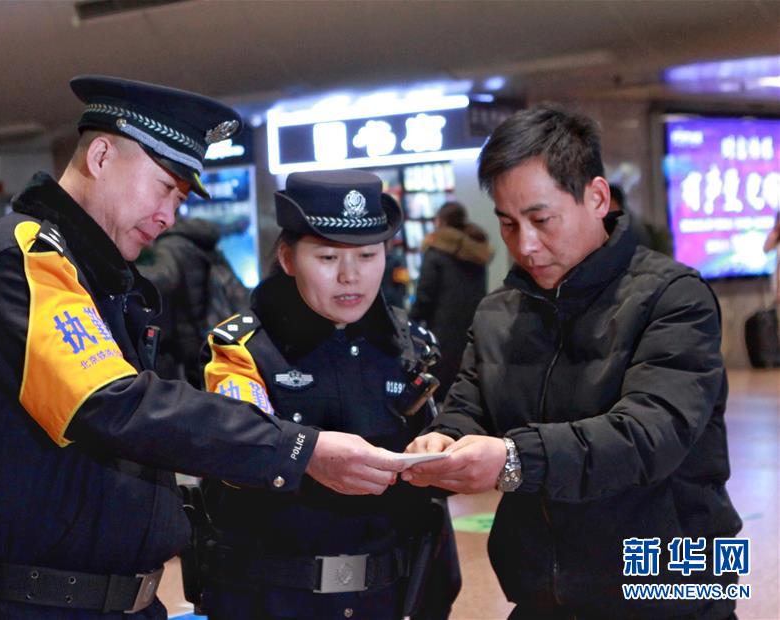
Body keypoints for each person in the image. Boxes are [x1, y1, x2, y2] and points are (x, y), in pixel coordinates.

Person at [0, 76, 407, 619]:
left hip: (116, 600)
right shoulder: (23, 255)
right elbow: (111, 402)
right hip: (41, 602)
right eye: (164, 188)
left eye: (179, 199)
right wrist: (299, 448)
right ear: (101, 156)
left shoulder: (99, 275)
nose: (169, 216)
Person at [404, 105, 741, 619]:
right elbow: (468, 409)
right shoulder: (499, 314)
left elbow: (648, 436)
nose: (525, 244)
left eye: (542, 220)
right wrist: (443, 442)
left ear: (597, 197)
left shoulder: (674, 298)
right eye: (508, 224)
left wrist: (515, 458)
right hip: (545, 593)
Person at [198, 170, 461, 619]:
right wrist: (307, 456)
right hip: (271, 601)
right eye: (327, 257)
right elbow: (238, 452)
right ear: (287, 258)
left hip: (387, 598)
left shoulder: (411, 347)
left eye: (367, 255)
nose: (350, 276)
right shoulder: (242, 349)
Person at [137, 217, 249, 385]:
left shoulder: (170, 245)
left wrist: (127, 273)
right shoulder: (195, 238)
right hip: (211, 324)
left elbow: (166, 276)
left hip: (189, 332)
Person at [410, 201, 492, 401]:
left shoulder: (436, 252)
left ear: (440, 221)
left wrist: (410, 323)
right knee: (468, 391)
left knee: (440, 393)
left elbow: (425, 297)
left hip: (442, 334)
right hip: (473, 331)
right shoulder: (476, 253)